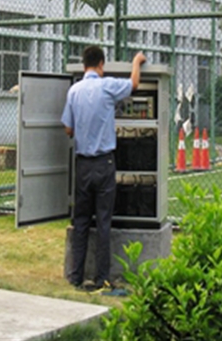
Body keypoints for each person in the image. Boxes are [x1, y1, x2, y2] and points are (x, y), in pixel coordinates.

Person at [61, 45, 147, 290]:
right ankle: (101, 278)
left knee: (81, 221)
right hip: (104, 163)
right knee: (103, 222)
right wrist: (136, 62)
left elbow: (68, 128)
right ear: (101, 64)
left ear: (83, 64)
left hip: (82, 165)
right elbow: (134, 84)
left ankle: (76, 276)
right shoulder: (108, 86)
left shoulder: (74, 91)